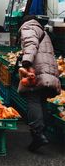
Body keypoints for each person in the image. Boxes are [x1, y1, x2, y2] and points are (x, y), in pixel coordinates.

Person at [18, 15, 61, 152]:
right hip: (47, 69)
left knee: (33, 98)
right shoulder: (42, 30)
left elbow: (31, 43)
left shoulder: (28, 27)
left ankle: (37, 134)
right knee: (41, 99)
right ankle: (41, 132)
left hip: (37, 69)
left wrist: (27, 62)